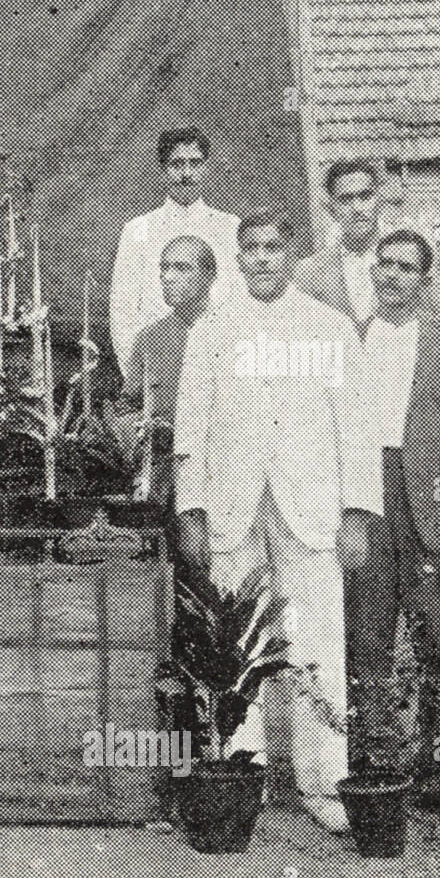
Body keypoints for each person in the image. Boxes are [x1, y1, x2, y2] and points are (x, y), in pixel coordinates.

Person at [174, 209, 382, 832]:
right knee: (240, 643)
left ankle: (324, 784)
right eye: (252, 249)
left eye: (274, 248)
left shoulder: (328, 328)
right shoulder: (213, 330)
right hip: (234, 509)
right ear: (238, 256)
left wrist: (358, 511)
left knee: (315, 641)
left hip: (311, 509)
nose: (263, 258)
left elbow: (358, 428)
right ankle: (245, 773)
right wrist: (192, 509)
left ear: (292, 254)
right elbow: (192, 430)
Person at [347, 229, 440, 804]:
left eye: (406, 267)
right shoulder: (354, 334)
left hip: (424, 493)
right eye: (385, 265)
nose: (393, 276)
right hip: (365, 488)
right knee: (370, 625)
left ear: (425, 276)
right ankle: (376, 764)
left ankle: (435, 764)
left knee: (434, 631)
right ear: (374, 271)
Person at [109, 127, 241, 374]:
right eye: (177, 164)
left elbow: (241, 302)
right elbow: (122, 312)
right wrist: (138, 375)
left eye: (195, 163)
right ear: (163, 171)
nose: (187, 173)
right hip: (159, 366)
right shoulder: (138, 230)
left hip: (219, 364)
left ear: (206, 168)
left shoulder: (230, 227)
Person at [295, 159, 440, 332]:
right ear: (331, 208)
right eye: (345, 199)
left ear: (379, 200)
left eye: (365, 196)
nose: (357, 208)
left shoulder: (414, 256)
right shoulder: (309, 272)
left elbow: (435, 321)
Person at [113, 235, 217, 505]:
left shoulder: (232, 332)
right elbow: (126, 409)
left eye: (182, 268)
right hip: (166, 482)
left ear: (210, 276)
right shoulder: (149, 339)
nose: (168, 277)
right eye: (164, 268)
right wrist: (140, 430)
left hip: (224, 473)